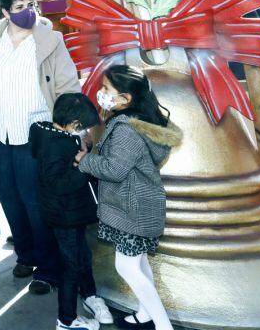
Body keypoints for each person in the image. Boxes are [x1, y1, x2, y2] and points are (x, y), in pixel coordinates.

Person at [0, 0, 81, 294]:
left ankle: (47, 267)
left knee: (36, 204)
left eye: (31, 4)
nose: (28, 11)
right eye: (19, 7)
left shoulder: (49, 41)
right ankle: (26, 255)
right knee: (11, 201)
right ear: (4, 12)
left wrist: (70, 130)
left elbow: (68, 87)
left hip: (37, 138)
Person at [77, 65, 182, 330]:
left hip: (130, 209)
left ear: (126, 99)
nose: (100, 93)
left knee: (127, 267)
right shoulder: (143, 122)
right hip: (139, 205)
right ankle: (145, 313)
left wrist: (84, 160)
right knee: (138, 261)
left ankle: (162, 325)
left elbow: (114, 169)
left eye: (106, 89)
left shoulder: (126, 129)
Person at [30, 93, 113, 329]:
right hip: (65, 214)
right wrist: (80, 164)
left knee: (81, 255)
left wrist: (79, 147)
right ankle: (67, 319)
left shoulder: (47, 132)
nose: (85, 132)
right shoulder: (57, 146)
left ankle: (90, 295)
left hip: (68, 213)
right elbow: (58, 184)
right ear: (74, 125)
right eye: (84, 128)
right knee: (72, 266)